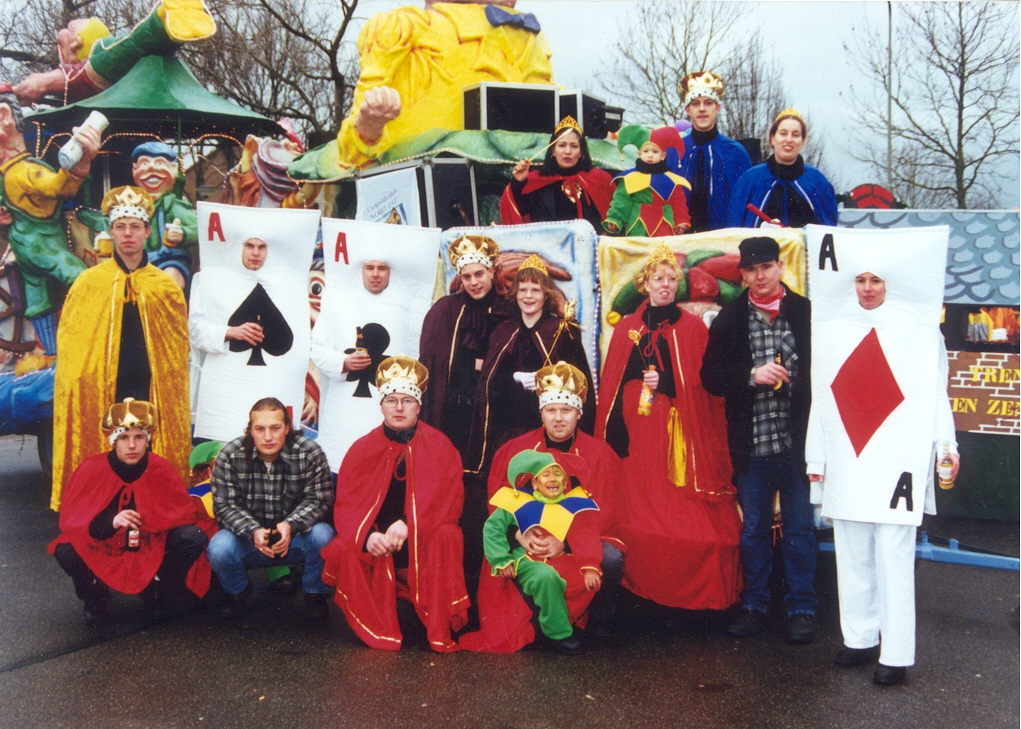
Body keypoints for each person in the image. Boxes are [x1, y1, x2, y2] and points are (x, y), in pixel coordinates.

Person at [807, 268, 958, 686]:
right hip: (849, 455)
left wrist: (946, 445)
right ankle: (860, 638)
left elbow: (935, 392)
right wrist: (816, 456)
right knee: (852, 552)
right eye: (861, 280)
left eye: (876, 280)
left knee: (893, 556)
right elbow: (824, 395)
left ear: (891, 282)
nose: (868, 289)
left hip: (898, 457)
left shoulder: (919, 331)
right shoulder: (834, 329)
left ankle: (896, 653)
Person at [596, 243, 742, 611]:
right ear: (644, 284)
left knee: (696, 526)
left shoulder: (692, 329)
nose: (665, 285)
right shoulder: (627, 328)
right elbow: (612, 385)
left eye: (671, 279)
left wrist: (670, 383)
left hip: (679, 434)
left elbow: (706, 386)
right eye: (658, 278)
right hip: (637, 434)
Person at [459, 361, 626, 653]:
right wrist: (518, 535)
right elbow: (498, 503)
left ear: (579, 413)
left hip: (578, 542)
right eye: (551, 410)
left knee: (611, 557)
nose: (558, 419)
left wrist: (565, 542)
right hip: (528, 545)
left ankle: (596, 620)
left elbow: (607, 512)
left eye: (566, 410)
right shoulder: (514, 449)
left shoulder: (601, 454)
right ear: (541, 412)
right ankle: (543, 621)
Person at [701, 236, 817, 643]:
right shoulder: (730, 317)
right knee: (753, 530)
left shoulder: (807, 312)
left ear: (780, 267)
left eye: (766, 267)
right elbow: (710, 377)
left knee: (800, 529)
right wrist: (752, 375)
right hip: (753, 445)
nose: (760, 276)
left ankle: (802, 609)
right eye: (751, 270)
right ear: (743, 275)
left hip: (799, 445)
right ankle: (754, 605)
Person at [52, 186, 190, 511]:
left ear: (146, 232)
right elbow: (72, 347)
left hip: (150, 385)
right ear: (111, 231)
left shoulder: (165, 286)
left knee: (146, 447)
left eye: (135, 227)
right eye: (121, 226)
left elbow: (176, 351)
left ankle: (154, 511)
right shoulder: (88, 283)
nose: (128, 234)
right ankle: (102, 511)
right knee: (111, 448)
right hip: (103, 385)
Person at [321, 357, 469, 652]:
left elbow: (450, 501)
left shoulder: (440, 446)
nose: (399, 408)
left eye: (407, 401)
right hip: (377, 539)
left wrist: (411, 523)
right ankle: (375, 622)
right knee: (343, 546)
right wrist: (367, 536)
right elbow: (347, 504)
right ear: (382, 406)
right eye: (391, 400)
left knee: (449, 535)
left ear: (418, 406)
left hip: (422, 538)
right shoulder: (362, 448)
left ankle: (436, 621)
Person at [48, 398, 211, 624]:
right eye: (124, 437)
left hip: (150, 544)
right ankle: (94, 596)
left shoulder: (161, 468)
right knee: (66, 548)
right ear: (113, 441)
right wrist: (112, 522)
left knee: (191, 537)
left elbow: (183, 514)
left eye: (138, 437)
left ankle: (159, 589)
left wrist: (148, 523)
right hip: (105, 546)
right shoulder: (91, 469)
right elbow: (73, 521)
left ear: (147, 440)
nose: (132, 445)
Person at [335, 0, 553, 168]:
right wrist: (369, 125)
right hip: (420, 186)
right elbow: (350, 154)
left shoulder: (528, 34)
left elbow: (549, 121)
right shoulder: (399, 27)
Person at [464, 255, 595, 477]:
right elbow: (488, 384)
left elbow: (580, 385)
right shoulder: (503, 331)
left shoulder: (562, 331)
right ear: (515, 294)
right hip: (505, 431)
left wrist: (548, 381)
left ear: (546, 294)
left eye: (535, 290)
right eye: (523, 290)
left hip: (547, 432)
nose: (528, 296)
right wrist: (514, 377)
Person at [206, 398, 335, 621]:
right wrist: (253, 531)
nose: (268, 437)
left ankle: (315, 593)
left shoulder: (310, 452)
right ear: (250, 430)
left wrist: (290, 525)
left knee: (323, 535)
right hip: (248, 540)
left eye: (275, 428)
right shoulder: (229, 456)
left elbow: (319, 500)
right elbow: (224, 506)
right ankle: (237, 591)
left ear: (287, 427)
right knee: (220, 547)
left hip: (294, 538)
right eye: (260, 429)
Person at [0, 83, 100, 355]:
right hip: (38, 245)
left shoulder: (14, 170)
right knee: (76, 278)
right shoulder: (18, 172)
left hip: (28, 245)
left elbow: (54, 190)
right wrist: (79, 167)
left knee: (43, 295)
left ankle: (55, 351)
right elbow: (58, 188)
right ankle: (84, 341)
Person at [478, 449, 601, 655]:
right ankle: (558, 633)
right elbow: (493, 528)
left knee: (586, 582)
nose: (552, 479)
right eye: (546, 475)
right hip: (528, 560)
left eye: (558, 475)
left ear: (565, 482)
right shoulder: (517, 501)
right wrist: (501, 559)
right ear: (534, 483)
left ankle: (562, 619)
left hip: (559, 558)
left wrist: (590, 566)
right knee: (546, 577)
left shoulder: (573, 504)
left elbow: (586, 535)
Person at [419, 235, 514, 458]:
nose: (473, 282)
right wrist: (474, 363)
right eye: (467, 276)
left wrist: (477, 364)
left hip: (495, 408)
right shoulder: (445, 310)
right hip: (455, 408)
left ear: (491, 272)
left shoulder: (508, 311)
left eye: (479, 274)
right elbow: (433, 360)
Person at [13, 1, 215, 106]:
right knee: (133, 49)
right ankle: (168, 29)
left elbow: (80, 75)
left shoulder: (98, 54)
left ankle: (162, 23)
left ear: (75, 42)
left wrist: (44, 82)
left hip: (101, 63)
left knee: (126, 48)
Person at [727, 108, 837, 229]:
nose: (789, 140)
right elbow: (735, 226)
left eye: (795, 135)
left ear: (802, 141)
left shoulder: (817, 181)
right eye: (783, 133)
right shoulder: (750, 179)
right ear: (772, 138)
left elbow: (828, 229)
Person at [500, 116, 613, 231]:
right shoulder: (537, 180)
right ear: (553, 150)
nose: (567, 151)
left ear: (581, 152)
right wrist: (518, 182)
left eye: (574, 146)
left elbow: (612, 221)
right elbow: (517, 213)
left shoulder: (599, 179)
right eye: (562, 145)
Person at [677, 71, 752, 233]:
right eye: (695, 104)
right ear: (687, 109)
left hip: (722, 239)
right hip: (679, 239)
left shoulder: (735, 153)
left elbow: (745, 203)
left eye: (708, 103)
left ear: (717, 107)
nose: (702, 109)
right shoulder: (675, 150)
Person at [603, 124, 691, 237]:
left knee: (663, 247)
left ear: (663, 155)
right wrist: (615, 219)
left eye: (655, 151)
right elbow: (622, 200)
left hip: (664, 224)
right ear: (639, 154)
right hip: (637, 225)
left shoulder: (673, 180)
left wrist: (680, 221)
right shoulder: (629, 177)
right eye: (645, 151)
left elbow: (678, 202)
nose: (650, 155)